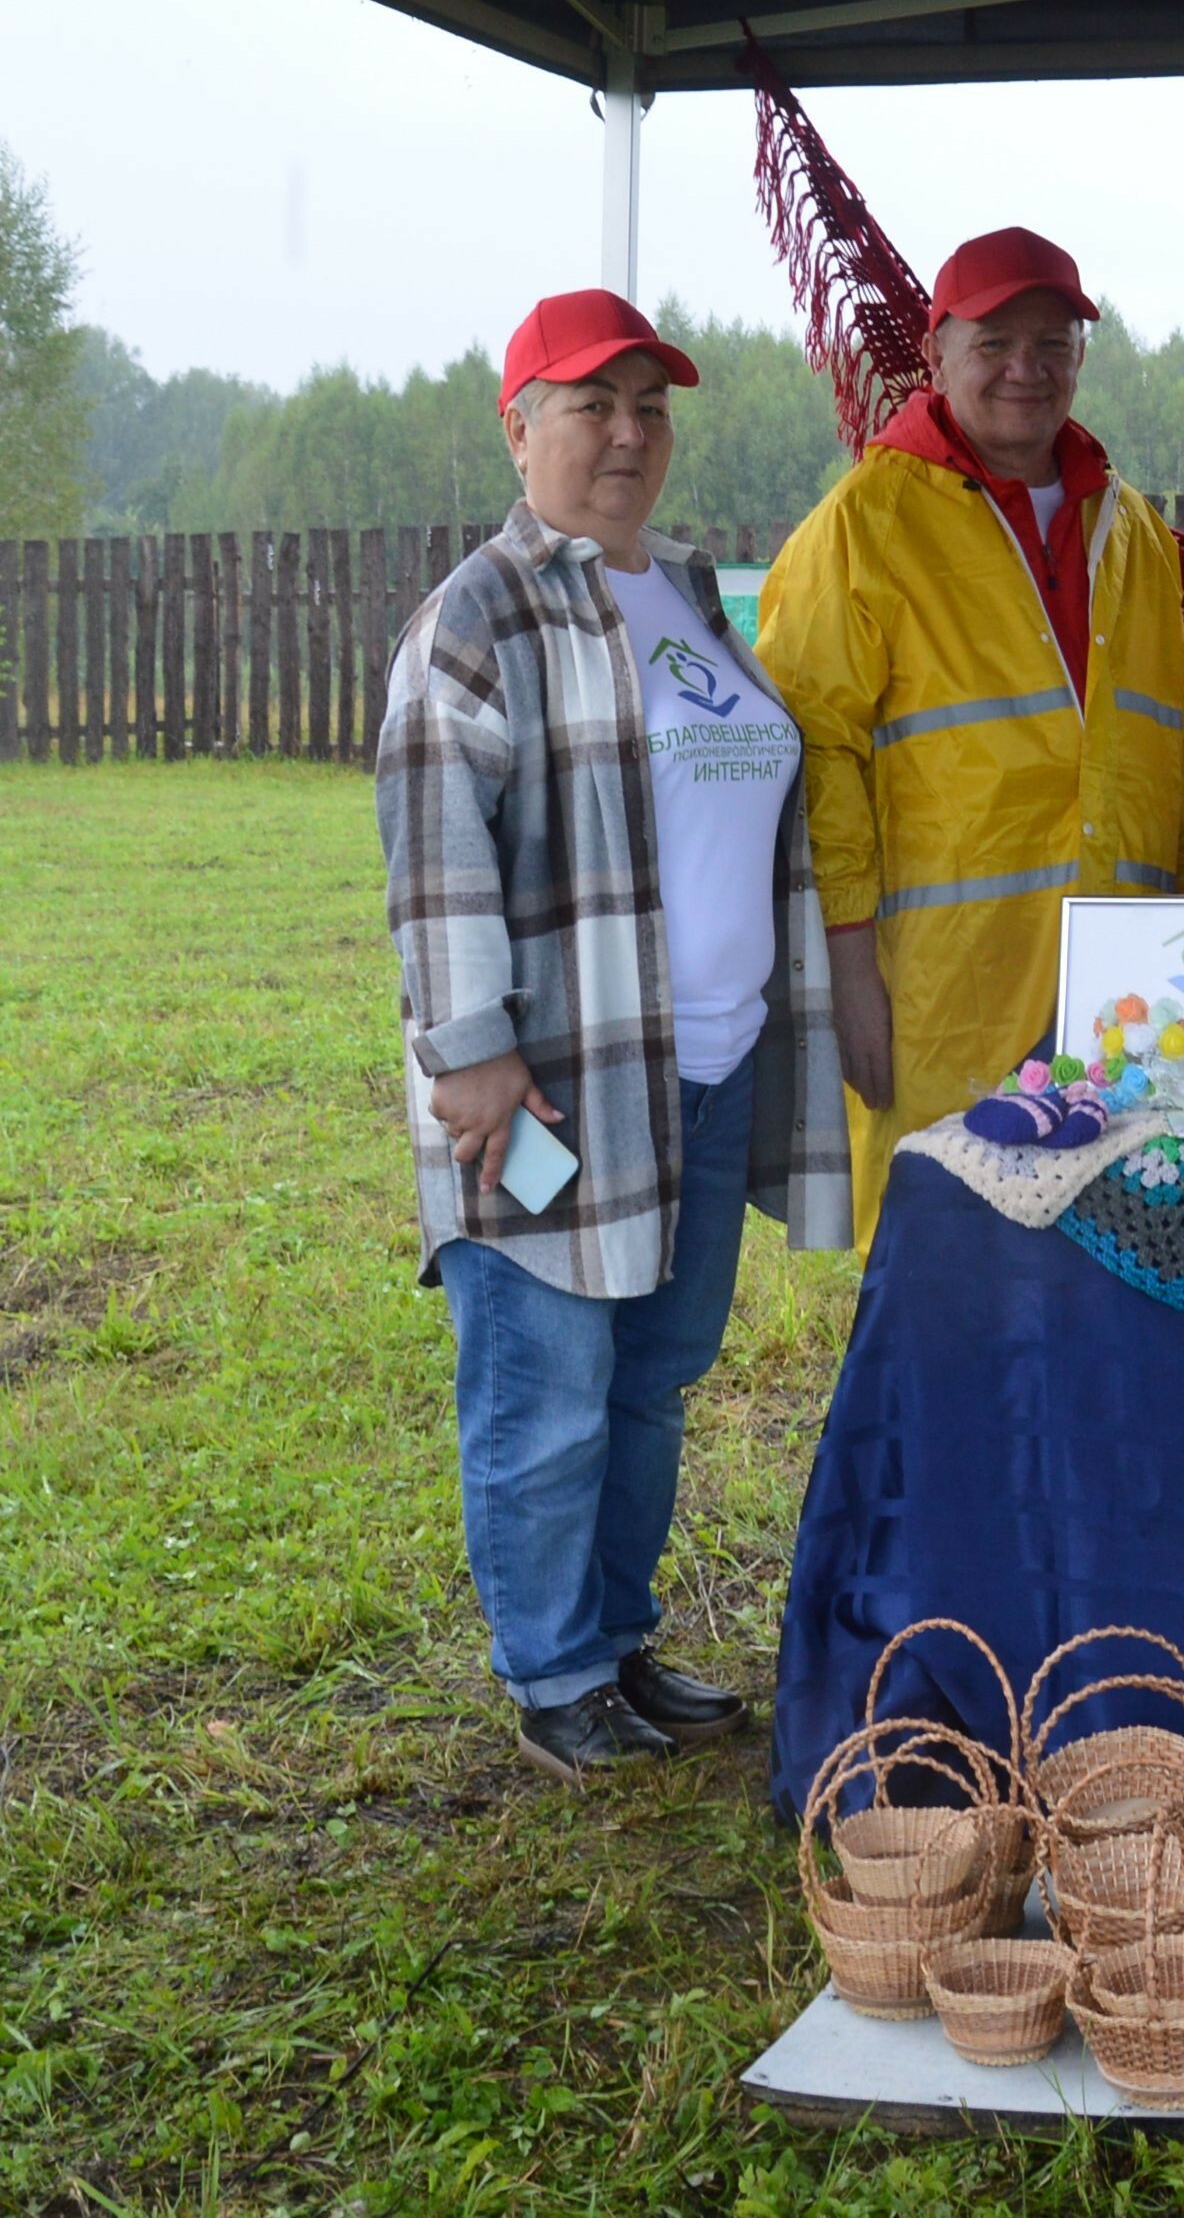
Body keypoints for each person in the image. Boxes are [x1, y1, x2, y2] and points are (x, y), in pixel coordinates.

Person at [378, 291, 849, 1783]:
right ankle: (555, 1671)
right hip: (547, 1094)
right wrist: (470, 1056)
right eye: (592, 404)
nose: (628, 433)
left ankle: (619, 1639)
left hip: (703, 1076)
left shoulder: (695, 594)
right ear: (520, 426)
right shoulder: (479, 618)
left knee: (652, 1379)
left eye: (649, 405)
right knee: (546, 1387)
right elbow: (434, 845)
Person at [758, 227, 1184, 1237]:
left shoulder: (1130, 530)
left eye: (1053, 343)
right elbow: (815, 758)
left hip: (1125, 1007)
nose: (1024, 369)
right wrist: (847, 971)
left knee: (1118, 1258)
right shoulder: (863, 524)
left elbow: (1168, 753)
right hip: (943, 989)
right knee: (942, 1269)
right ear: (936, 349)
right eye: (994, 341)